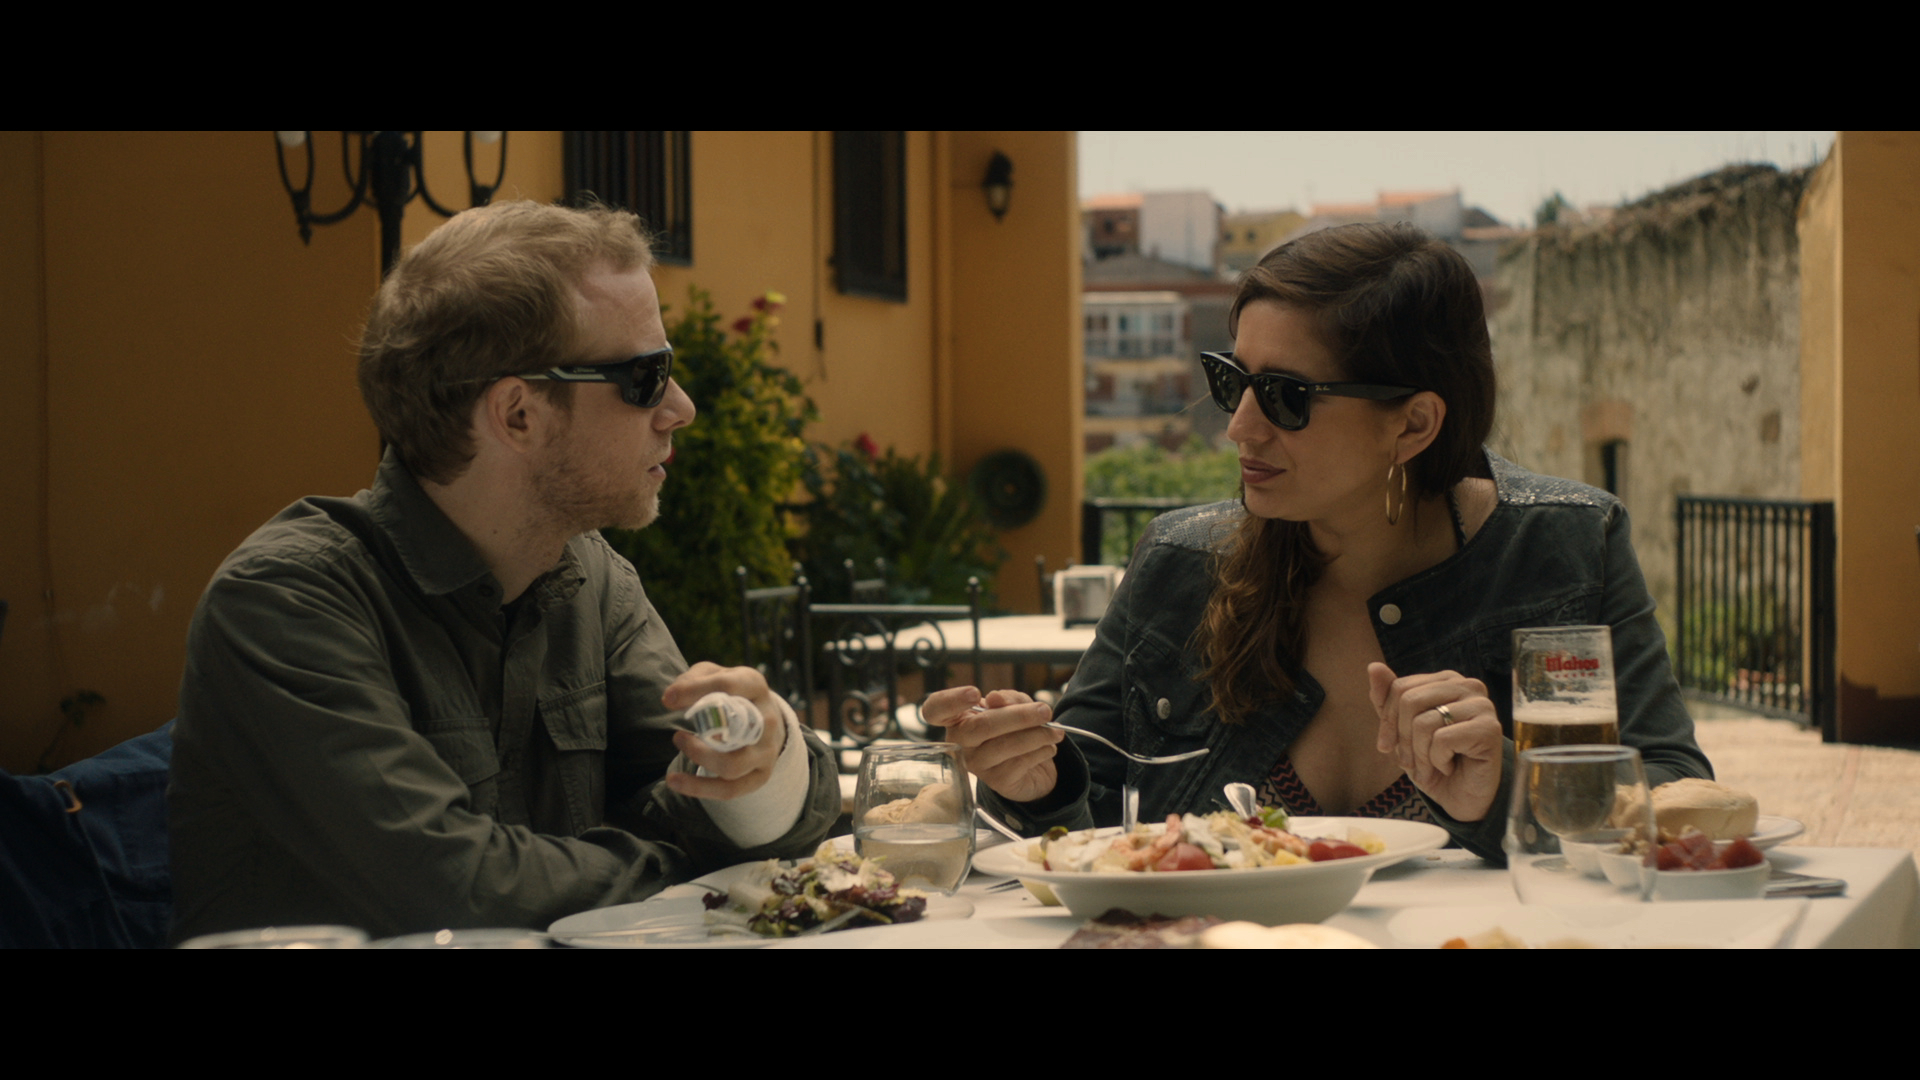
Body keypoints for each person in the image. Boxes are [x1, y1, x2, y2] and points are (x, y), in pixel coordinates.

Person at [930, 222, 1711, 860]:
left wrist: (1504, 785)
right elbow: (1085, 827)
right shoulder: (1180, 564)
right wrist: (1034, 778)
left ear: (1414, 423)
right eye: (1233, 380)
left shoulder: (1564, 549)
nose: (1239, 427)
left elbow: (1678, 799)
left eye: (1286, 396)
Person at [168, 201, 839, 942]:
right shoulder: (286, 601)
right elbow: (460, 894)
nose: (680, 407)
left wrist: (767, 757)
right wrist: (704, 876)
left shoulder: (591, 579)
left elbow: (723, 798)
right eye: (645, 377)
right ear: (519, 414)